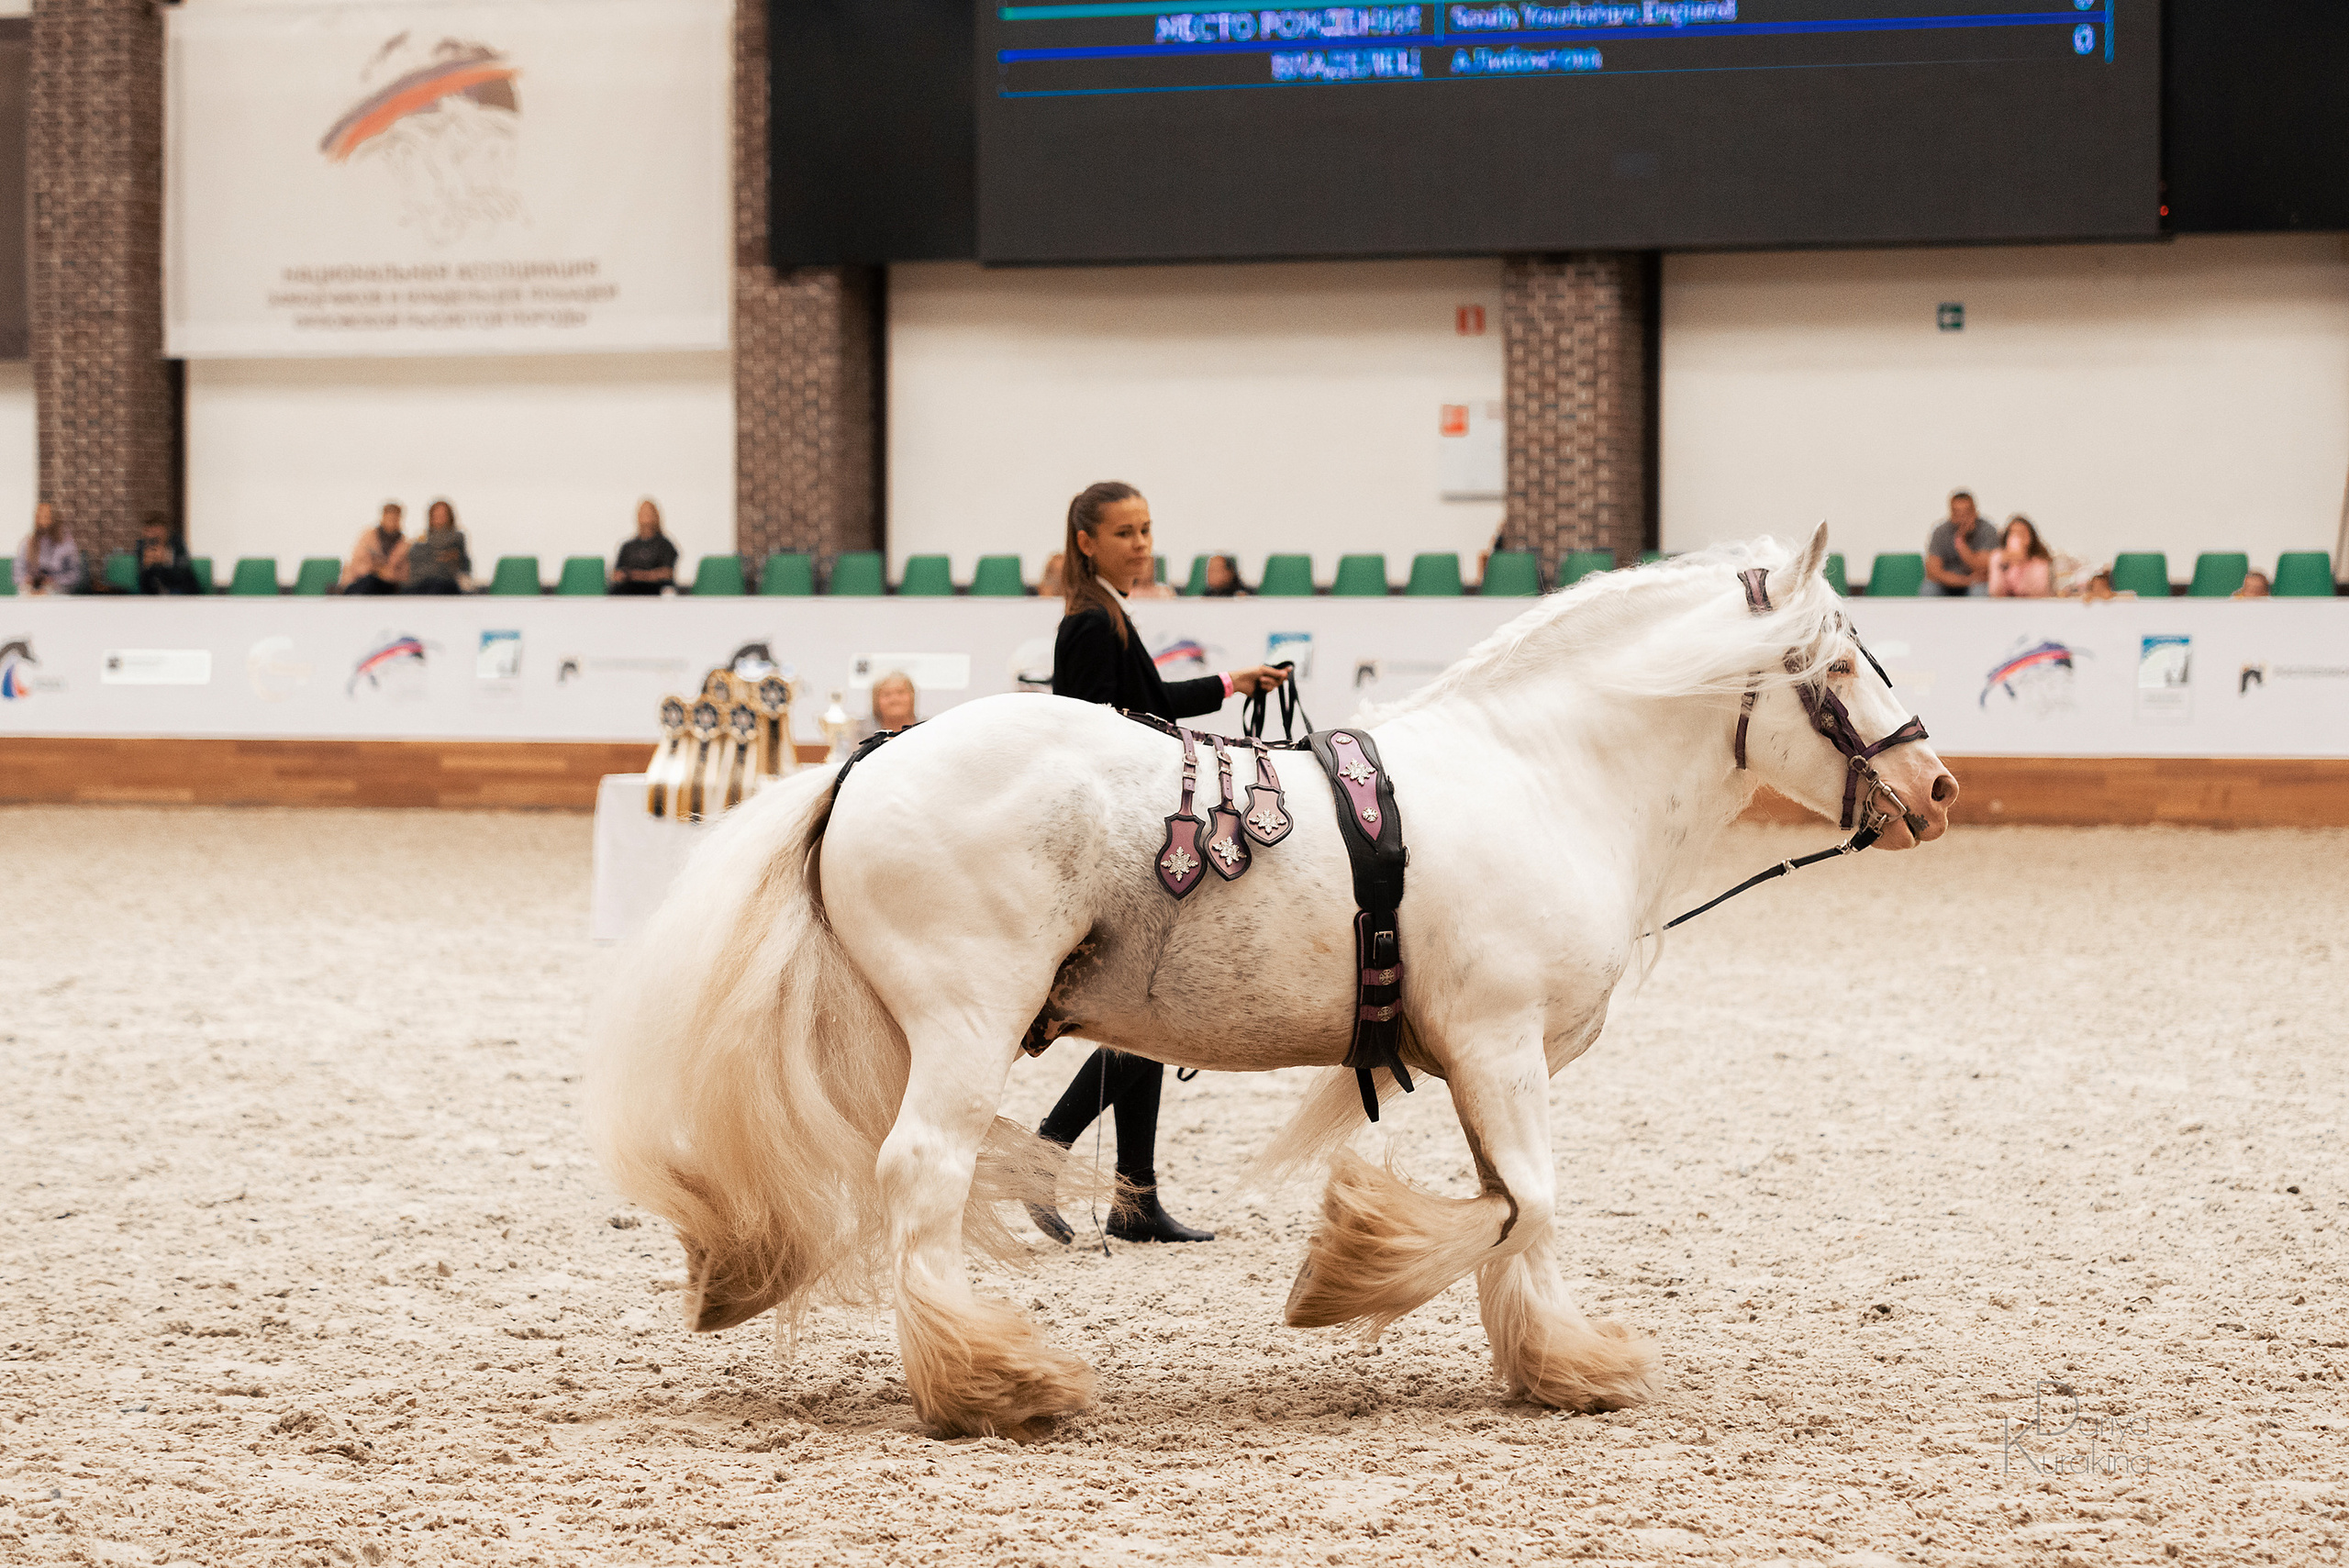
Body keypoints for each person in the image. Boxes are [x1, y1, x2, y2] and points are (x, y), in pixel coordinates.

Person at [1028, 480, 1293, 1247]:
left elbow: (1145, 698)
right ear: (1087, 540)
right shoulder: (1087, 622)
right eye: (1125, 532)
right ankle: (1049, 1152)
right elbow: (1100, 732)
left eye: (1146, 531)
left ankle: (1135, 1200)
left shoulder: (1105, 610)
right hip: (1119, 840)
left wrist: (1232, 683)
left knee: (1144, 1013)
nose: (1141, 544)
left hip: (1132, 830)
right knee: (1141, 1009)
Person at [1924, 490, 1998, 596]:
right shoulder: (1940, 531)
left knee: (1980, 591)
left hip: (1976, 584)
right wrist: (1965, 581)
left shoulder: (1987, 530)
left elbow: (1981, 567)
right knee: (1928, 589)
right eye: (1957, 513)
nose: (1962, 518)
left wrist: (1961, 543)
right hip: (1948, 583)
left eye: (1966, 513)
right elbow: (1933, 571)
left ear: (1975, 512)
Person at [403, 498, 472, 595]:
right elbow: (413, 556)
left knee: (436, 586)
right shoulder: (422, 536)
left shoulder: (456, 536)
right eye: (436, 514)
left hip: (443, 581)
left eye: (443, 514)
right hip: (419, 581)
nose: (439, 517)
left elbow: (442, 550)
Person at [340, 503, 410, 595]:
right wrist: (376, 569)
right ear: (383, 517)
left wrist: (388, 573)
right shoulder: (368, 537)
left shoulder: (404, 543)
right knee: (366, 583)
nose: (391, 521)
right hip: (364, 579)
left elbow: (405, 573)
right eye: (389, 518)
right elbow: (357, 562)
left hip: (389, 585)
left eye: (394, 518)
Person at [611, 499, 678, 595]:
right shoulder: (627, 547)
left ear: (656, 516)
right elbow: (617, 574)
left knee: (668, 591)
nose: (646, 516)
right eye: (643, 513)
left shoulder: (665, 545)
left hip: (656, 588)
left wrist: (636, 575)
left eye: (649, 513)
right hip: (631, 588)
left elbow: (666, 573)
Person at [15, 502, 83, 595]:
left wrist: (54, 581)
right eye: (39, 517)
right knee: (24, 594)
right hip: (31, 589)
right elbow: (18, 571)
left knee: (49, 595)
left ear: (54, 519)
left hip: (58, 589)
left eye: (46, 517)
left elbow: (75, 575)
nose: (42, 522)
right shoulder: (27, 543)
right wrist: (26, 580)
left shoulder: (67, 544)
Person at [134, 512, 201, 595]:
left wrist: (165, 561)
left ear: (166, 532)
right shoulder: (142, 547)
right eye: (149, 532)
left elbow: (183, 575)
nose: (153, 537)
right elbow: (143, 585)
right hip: (154, 598)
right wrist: (146, 567)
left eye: (156, 532)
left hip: (181, 594)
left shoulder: (177, 544)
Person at [1987, 515, 2053, 598]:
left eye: (2021, 534)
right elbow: (1994, 592)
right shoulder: (1997, 557)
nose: (2016, 538)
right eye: (2012, 533)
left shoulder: (2040, 563)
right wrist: (2002, 567)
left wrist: (2021, 564)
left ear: (2030, 539)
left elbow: (2039, 593)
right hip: (2003, 607)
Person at [851, 670, 918, 742]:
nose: (894, 699)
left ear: (912, 696)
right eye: (887, 694)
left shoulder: (927, 729)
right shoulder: (860, 731)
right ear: (876, 700)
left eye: (900, 692)